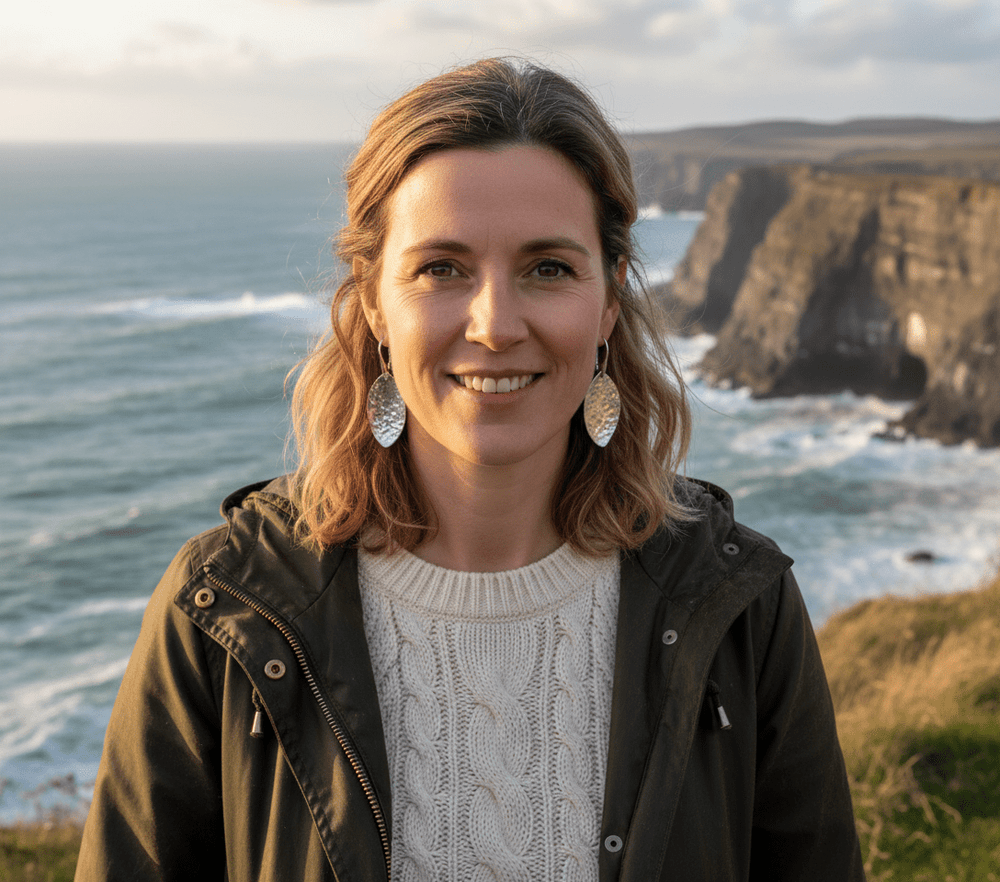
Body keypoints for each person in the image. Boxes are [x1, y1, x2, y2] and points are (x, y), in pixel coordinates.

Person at [76, 58, 864, 881]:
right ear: (375, 297)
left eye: (548, 268)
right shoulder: (226, 605)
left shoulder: (739, 602)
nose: (494, 325)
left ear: (608, 298)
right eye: (442, 268)